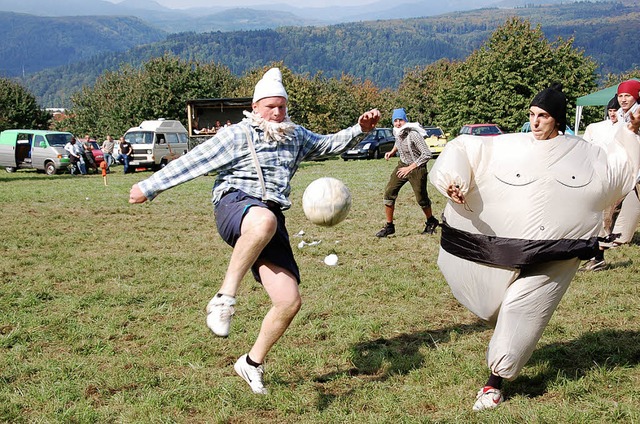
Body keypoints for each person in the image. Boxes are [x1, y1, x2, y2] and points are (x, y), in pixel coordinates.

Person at [128, 68, 380, 395]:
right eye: (270, 107)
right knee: (263, 221)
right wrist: (150, 186)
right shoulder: (237, 135)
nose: (277, 113)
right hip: (235, 205)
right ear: (255, 106)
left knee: (289, 300)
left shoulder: (295, 135)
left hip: (270, 216)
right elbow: (195, 161)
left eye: (282, 107)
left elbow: (329, 144)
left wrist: (360, 129)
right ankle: (224, 299)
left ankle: (251, 363)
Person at [429, 83, 640, 411]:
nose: (536, 121)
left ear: (557, 119)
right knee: (493, 307)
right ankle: (500, 352)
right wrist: (453, 182)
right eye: (532, 114)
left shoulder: (584, 153)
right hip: (501, 248)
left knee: (520, 308)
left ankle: (494, 382)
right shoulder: (509, 146)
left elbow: (623, 167)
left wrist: (631, 133)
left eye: (543, 116)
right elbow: (463, 149)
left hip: (558, 253)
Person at [580, 81, 640, 271]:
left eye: (627, 95)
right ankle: (598, 257)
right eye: (620, 95)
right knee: (606, 211)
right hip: (624, 172)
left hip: (634, 171)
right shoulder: (622, 117)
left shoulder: (636, 115)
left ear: (636, 96)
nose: (623, 99)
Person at [375, 108, 439, 237]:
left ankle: (431, 221)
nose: (398, 123)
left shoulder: (413, 134)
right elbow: (398, 142)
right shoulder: (397, 132)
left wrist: (410, 168)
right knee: (389, 192)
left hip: (417, 167)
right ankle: (389, 226)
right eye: (395, 120)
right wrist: (392, 151)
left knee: (421, 198)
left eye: (401, 120)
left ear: (406, 121)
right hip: (403, 165)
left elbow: (427, 154)